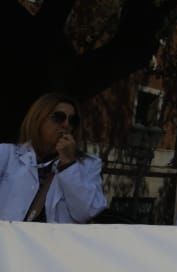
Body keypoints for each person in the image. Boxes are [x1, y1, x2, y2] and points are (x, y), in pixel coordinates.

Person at [0, 92, 107, 223]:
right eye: (58, 117)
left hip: (55, 237)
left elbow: (86, 213)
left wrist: (68, 164)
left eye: (72, 120)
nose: (66, 125)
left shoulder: (89, 164)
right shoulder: (7, 154)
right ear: (38, 119)